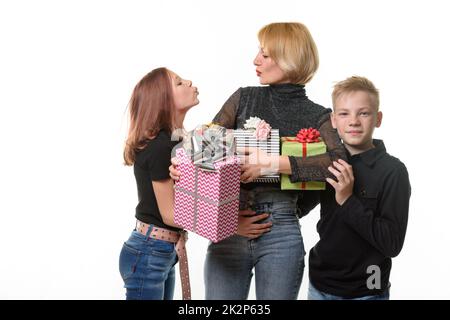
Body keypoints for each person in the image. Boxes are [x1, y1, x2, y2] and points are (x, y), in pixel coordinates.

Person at [170, 22, 347, 300]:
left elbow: (339, 164)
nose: (255, 60)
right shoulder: (243, 98)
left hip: (282, 232)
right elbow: (206, 149)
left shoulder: (319, 115)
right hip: (230, 227)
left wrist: (273, 163)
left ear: (289, 58)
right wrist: (183, 166)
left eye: (265, 54)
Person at [305, 76, 411, 300]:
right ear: (333, 120)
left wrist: (347, 200)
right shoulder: (326, 162)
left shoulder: (393, 171)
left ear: (378, 118)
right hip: (320, 285)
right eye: (344, 113)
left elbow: (392, 244)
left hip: (367, 290)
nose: (353, 121)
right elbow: (299, 207)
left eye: (363, 113)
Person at [119, 67, 199, 300]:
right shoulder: (161, 147)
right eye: (178, 82)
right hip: (150, 251)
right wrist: (230, 224)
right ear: (162, 100)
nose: (189, 81)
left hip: (161, 251)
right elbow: (170, 215)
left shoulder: (175, 141)